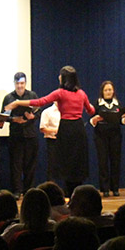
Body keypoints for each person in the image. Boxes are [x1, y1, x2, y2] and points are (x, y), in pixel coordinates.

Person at [6, 65, 96, 197]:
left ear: (64, 78)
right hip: (78, 128)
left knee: (66, 162)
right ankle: (76, 193)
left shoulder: (60, 93)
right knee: (77, 162)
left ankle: (69, 193)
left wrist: (18, 102)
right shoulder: (82, 93)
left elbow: (40, 102)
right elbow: (91, 111)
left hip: (66, 128)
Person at [2, 72, 39, 196]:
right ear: (14, 83)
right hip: (16, 135)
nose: (20, 86)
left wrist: (33, 116)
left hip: (30, 135)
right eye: (17, 83)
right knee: (16, 165)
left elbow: (38, 111)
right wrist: (14, 119)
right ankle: (17, 190)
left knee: (30, 165)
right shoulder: (8, 97)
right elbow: (3, 116)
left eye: (22, 83)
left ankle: (29, 190)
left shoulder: (32, 95)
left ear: (25, 83)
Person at [93, 81, 125, 197]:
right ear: (102, 92)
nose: (108, 92)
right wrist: (95, 119)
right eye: (106, 90)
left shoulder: (118, 104)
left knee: (115, 161)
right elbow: (92, 119)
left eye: (110, 90)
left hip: (115, 135)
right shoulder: (98, 104)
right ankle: (105, 188)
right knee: (103, 162)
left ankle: (115, 188)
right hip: (101, 136)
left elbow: (122, 121)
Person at [39, 100, 61, 182]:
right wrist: (56, 131)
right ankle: (51, 186)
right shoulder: (47, 112)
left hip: (65, 141)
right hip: (52, 140)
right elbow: (42, 128)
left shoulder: (67, 111)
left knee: (67, 166)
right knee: (52, 166)